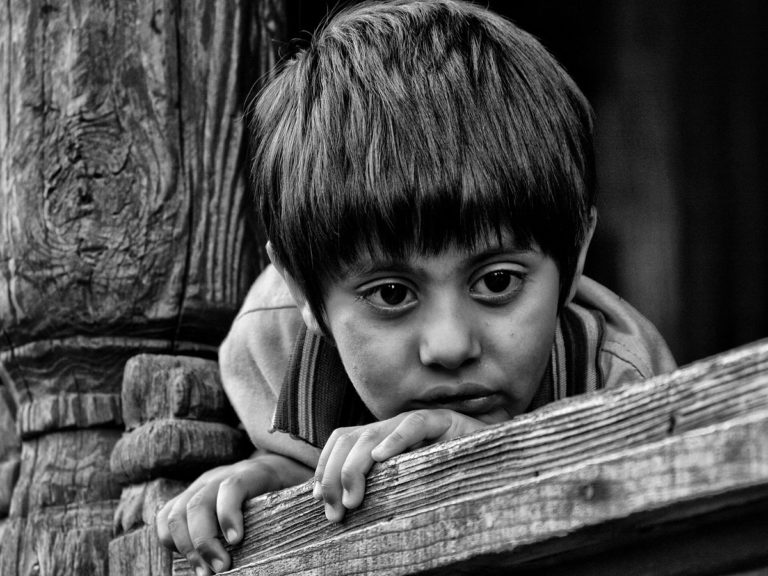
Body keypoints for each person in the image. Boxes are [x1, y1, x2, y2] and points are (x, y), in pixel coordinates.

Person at [156, 0, 676, 573]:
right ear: (304, 294)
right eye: (392, 295)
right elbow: (309, 469)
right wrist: (276, 475)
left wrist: (488, 457)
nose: (451, 346)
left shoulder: (621, 380)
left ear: (576, 258)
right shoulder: (271, 348)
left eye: (497, 281)